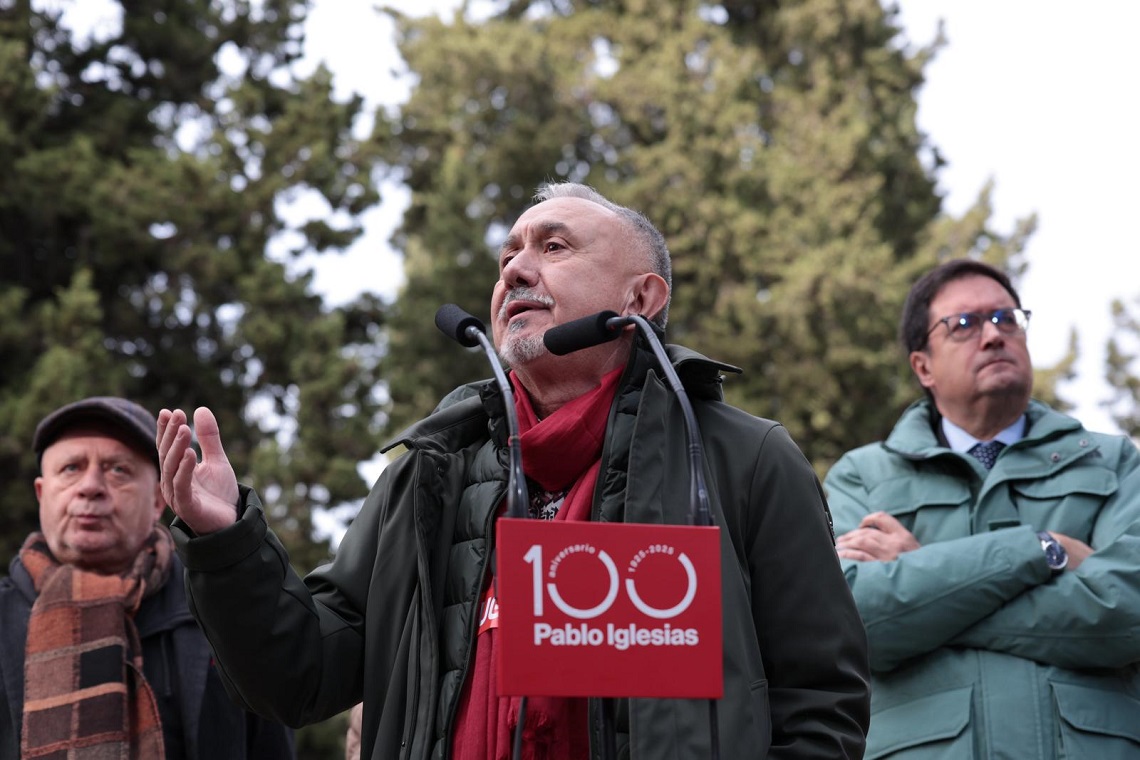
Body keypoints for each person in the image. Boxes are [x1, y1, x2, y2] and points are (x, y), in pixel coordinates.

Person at [157, 182, 871, 759]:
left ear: (641, 298)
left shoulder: (742, 458)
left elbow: (821, 703)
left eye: (553, 246)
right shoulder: (427, 477)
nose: (515, 271)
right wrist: (226, 542)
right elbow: (299, 677)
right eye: (507, 257)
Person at [827, 259, 1140, 758]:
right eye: (964, 325)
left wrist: (923, 574)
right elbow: (859, 624)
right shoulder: (861, 476)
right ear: (922, 366)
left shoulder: (1114, 460)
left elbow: (1127, 614)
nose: (993, 336)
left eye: (1006, 319)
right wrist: (1041, 548)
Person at [0, 396, 295, 760]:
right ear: (42, 495)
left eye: (118, 470)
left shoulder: (218, 609)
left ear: (159, 499)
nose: (90, 486)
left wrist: (234, 549)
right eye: (71, 468)